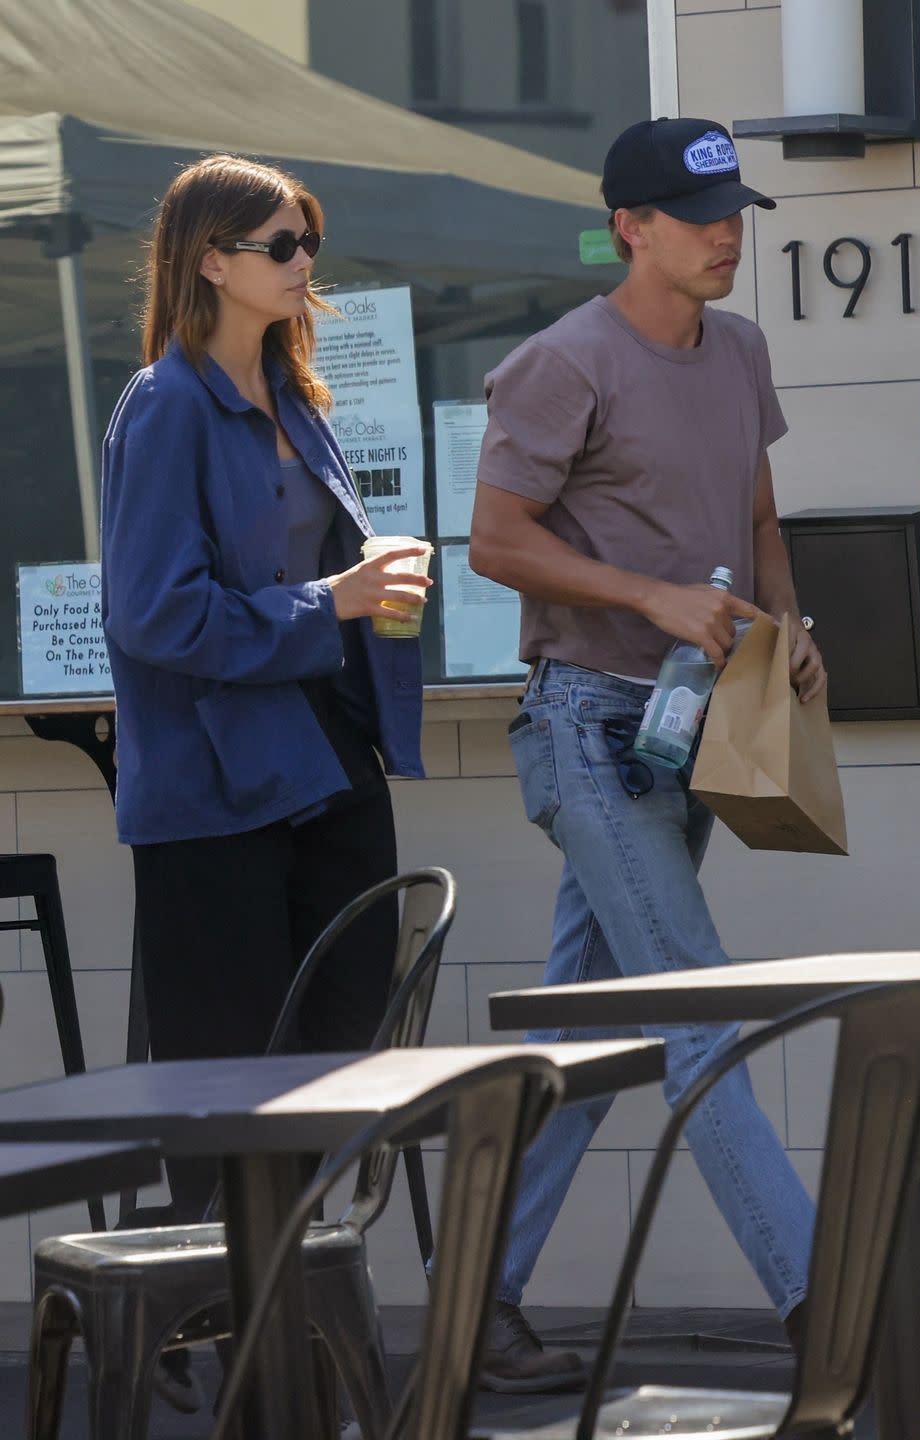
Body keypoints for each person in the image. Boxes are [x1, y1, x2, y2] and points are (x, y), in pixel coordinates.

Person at [468, 115, 828, 1393]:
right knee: (696, 1003)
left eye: (736, 209)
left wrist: (787, 627)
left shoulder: (740, 349)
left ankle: (477, 1304)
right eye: (698, 213)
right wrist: (651, 597)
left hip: (696, 732)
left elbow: (758, 514)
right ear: (630, 224)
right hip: (594, 731)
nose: (727, 231)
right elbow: (495, 542)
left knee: (599, 1032)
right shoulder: (563, 363)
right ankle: (824, 1292)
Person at [102, 155, 429, 1407]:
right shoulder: (167, 405)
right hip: (221, 797)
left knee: (337, 1056)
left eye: (309, 242)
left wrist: (372, 593)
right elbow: (151, 615)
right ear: (212, 262)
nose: (305, 265)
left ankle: (259, 1314)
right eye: (282, 245)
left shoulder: (297, 399)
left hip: (328, 771)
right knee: (231, 1085)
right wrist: (329, 599)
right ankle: (231, 1327)